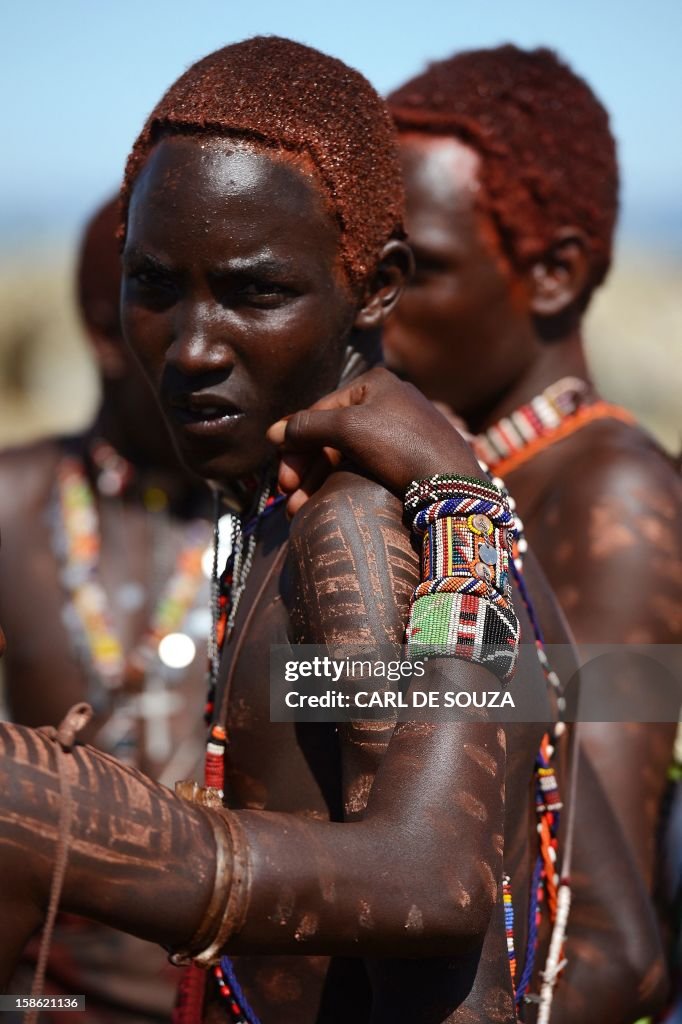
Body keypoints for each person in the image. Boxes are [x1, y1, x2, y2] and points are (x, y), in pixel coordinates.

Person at [0, 36, 581, 1024]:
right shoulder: (301, 504)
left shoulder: (347, 531)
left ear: (377, 285)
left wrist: (56, 811)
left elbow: (433, 897)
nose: (189, 349)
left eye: (254, 291)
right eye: (154, 287)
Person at [374, 45, 682, 894]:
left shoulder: (615, 501)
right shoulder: (445, 475)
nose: (377, 309)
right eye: (368, 269)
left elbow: (596, 925)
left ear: (554, 274)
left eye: (418, 271)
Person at [0, 197, 212, 1022]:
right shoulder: (15, 507)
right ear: (106, 332)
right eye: (173, 307)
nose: (211, 348)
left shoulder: (297, 517)